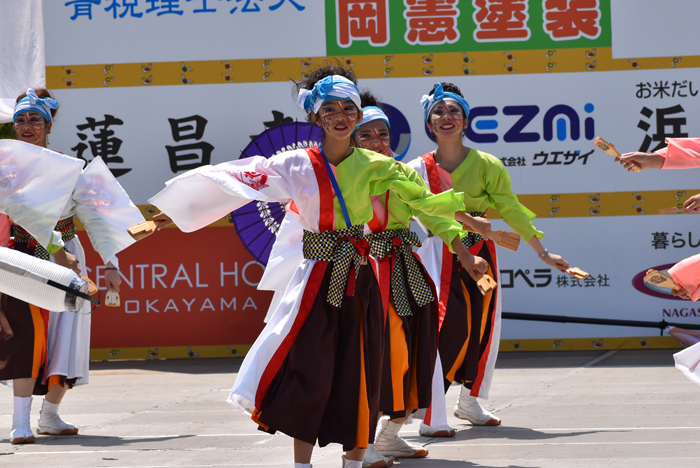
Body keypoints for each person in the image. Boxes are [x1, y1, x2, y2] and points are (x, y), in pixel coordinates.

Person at [148, 66, 484, 468]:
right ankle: (301, 464)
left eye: (348, 108)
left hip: (359, 278)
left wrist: (468, 226)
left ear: (358, 115)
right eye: (330, 109)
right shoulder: (295, 164)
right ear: (315, 117)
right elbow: (237, 179)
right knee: (309, 371)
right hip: (316, 279)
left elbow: (423, 201)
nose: (340, 115)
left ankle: (355, 460)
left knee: (361, 373)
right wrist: (176, 208)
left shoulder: (378, 167)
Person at [408, 82, 570, 436]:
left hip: (482, 255)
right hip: (441, 255)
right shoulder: (416, 169)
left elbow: (510, 209)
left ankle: (469, 400)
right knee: (446, 330)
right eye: (438, 112)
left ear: (466, 121)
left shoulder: (486, 164)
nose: (446, 117)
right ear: (429, 123)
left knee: (483, 327)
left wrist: (542, 252)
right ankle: (427, 409)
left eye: (454, 111)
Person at [350, 93, 490, 466]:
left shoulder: (403, 174)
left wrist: (465, 253)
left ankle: (391, 435)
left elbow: (435, 214)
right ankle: (360, 446)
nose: (379, 141)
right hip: (366, 277)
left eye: (383, 133)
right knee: (379, 358)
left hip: (406, 274)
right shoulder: (344, 176)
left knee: (417, 355)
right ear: (352, 140)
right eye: (367, 135)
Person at [0, 88, 129, 444]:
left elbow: (100, 217)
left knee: (67, 342)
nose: (27, 126)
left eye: (35, 120)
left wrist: (111, 264)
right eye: (20, 120)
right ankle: (20, 421)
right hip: (23, 256)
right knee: (26, 337)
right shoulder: (5, 165)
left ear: (49, 124)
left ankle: (50, 415)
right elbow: (22, 212)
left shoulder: (70, 167)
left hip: (69, 256)